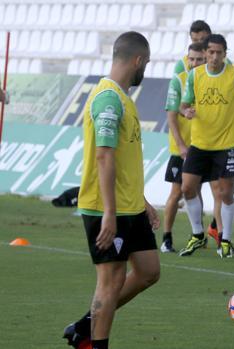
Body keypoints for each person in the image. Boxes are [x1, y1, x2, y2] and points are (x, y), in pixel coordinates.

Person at [63, 32, 160, 349]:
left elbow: (123, 157)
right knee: (111, 281)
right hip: (107, 209)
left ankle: (84, 326)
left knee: (148, 271)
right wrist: (107, 213)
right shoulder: (107, 99)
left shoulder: (123, 99)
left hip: (130, 207)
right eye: (147, 62)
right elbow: (103, 157)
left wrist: (142, 200)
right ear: (138, 61)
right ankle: (94, 341)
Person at [178, 34, 234, 258]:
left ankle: (225, 240)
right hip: (200, 143)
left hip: (227, 144)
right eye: (211, 52)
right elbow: (183, 104)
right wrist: (186, 111)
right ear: (205, 53)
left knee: (225, 193)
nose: (215, 57)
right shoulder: (195, 75)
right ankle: (197, 235)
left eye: (219, 53)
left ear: (225, 54)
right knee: (187, 188)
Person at [161, 42, 207, 253]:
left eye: (199, 59)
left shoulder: (208, 81)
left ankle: (198, 234)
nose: (194, 63)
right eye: (192, 59)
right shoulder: (179, 81)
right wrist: (180, 144)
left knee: (197, 190)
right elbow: (171, 114)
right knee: (177, 191)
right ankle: (166, 238)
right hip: (183, 148)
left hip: (202, 145)